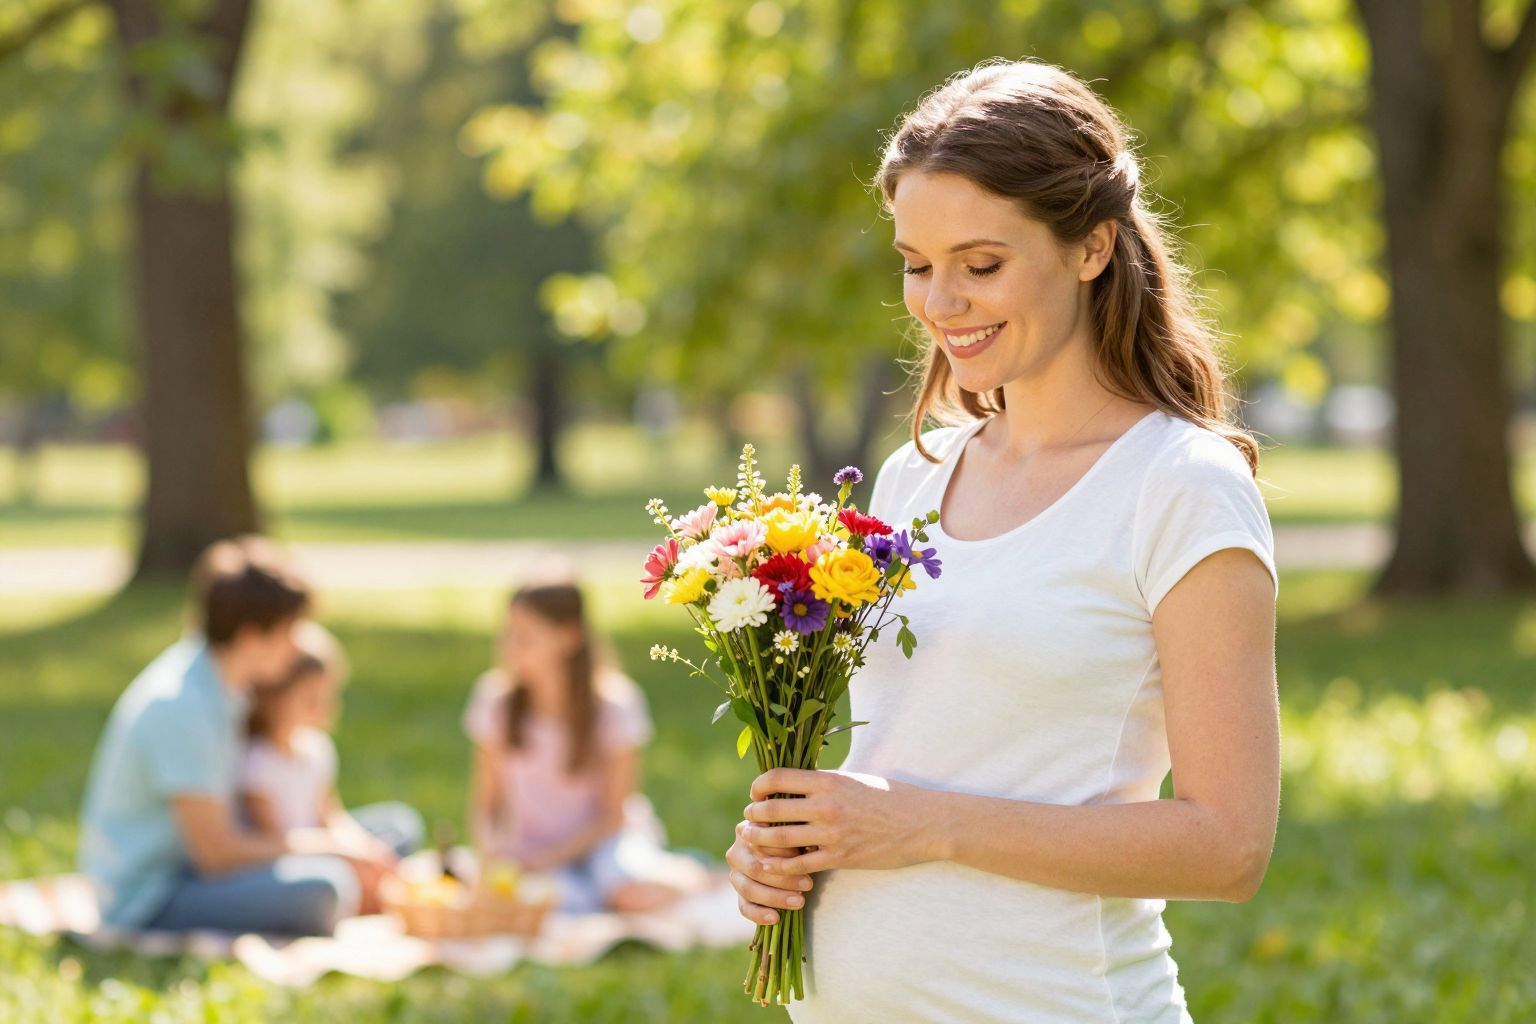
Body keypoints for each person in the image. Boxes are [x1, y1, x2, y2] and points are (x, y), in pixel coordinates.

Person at [725, 58, 1280, 1022]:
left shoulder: (1179, 487)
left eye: (981, 266)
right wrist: (794, 838)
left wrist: (924, 826)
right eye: (916, 265)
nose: (940, 303)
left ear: (1092, 247)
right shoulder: (911, 480)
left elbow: (1228, 846)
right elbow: (909, 755)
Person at [77, 536, 394, 936]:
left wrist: (345, 843)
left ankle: (358, 883)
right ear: (250, 637)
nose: (298, 645)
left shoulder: (227, 684)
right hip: (157, 895)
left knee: (393, 830)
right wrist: (326, 846)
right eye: (290, 630)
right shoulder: (182, 707)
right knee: (325, 888)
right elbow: (216, 855)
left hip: (211, 863)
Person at [463, 579, 711, 914]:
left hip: (606, 843)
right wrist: (493, 852)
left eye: (525, 637)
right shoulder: (496, 702)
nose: (510, 648)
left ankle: (698, 873)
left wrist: (548, 859)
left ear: (569, 637)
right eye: (508, 634)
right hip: (532, 849)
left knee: (627, 895)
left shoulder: (615, 705)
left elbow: (613, 815)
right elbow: (487, 804)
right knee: (550, 903)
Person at [240, 620, 425, 914]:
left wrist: (363, 849)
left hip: (324, 844)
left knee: (399, 825)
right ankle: (353, 895)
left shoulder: (316, 748)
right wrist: (338, 850)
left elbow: (330, 815)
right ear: (273, 699)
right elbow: (276, 840)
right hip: (289, 858)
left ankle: (363, 889)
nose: (324, 709)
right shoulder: (258, 763)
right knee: (323, 884)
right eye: (311, 699)